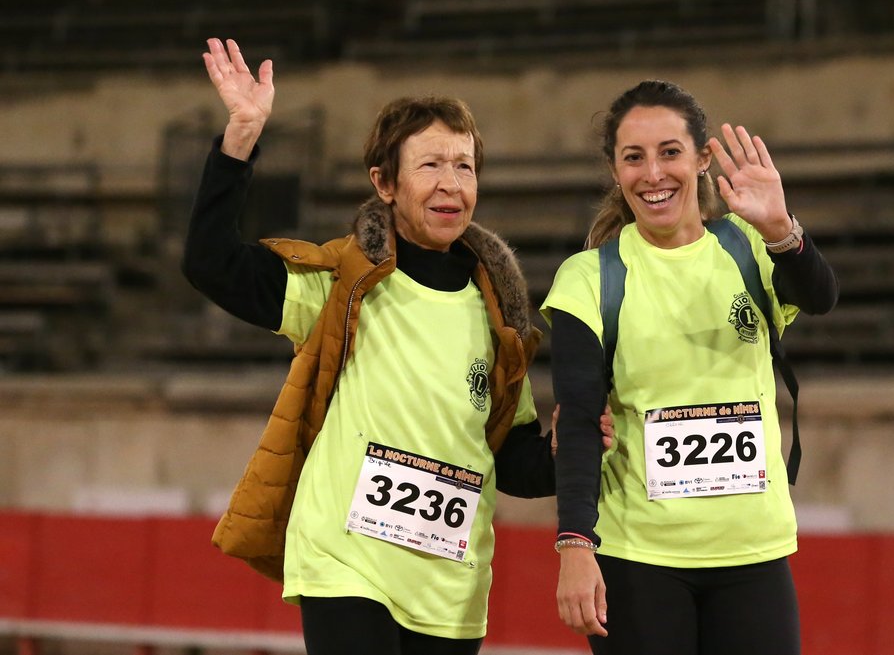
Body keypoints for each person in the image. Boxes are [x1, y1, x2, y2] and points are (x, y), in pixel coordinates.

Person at [182, 38, 609, 655]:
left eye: (464, 166)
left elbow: (508, 462)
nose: (451, 184)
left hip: (449, 594)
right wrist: (240, 140)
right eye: (430, 165)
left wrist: (564, 447)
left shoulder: (503, 315)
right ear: (383, 182)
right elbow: (210, 263)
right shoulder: (342, 285)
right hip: (346, 566)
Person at [543, 80, 839, 655]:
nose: (653, 173)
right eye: (634, 157)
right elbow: (579, 422)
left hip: (753, 553)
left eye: (670, 152)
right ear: (615, 170)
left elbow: (821, 295)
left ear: (703, 159)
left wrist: (781, 227)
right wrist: (575, 546)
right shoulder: (588, 278)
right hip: (639, 560)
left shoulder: (749, 246)